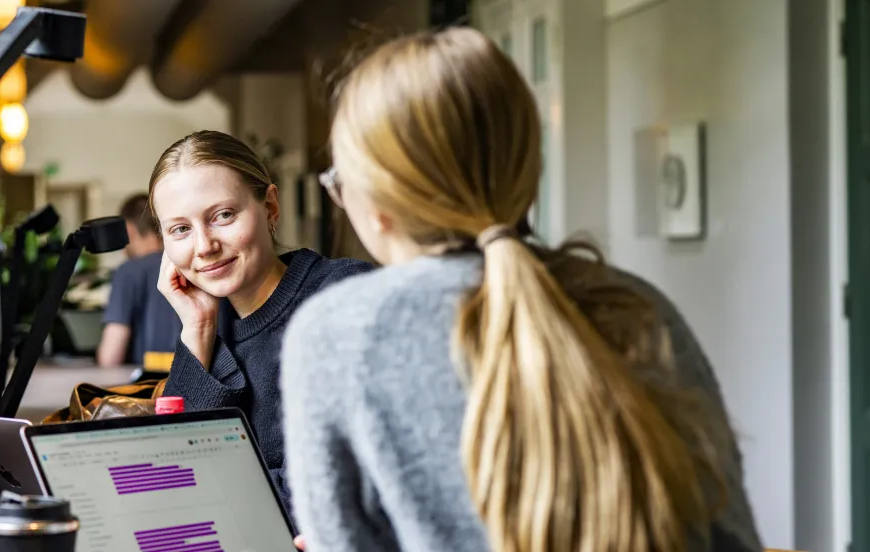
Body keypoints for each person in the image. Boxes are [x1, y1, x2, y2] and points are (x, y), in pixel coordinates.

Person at [281, 28, 762, 552]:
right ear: (525, 171)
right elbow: (729, 536)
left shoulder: (341, 333)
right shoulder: (638, 306)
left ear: (377, 204)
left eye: (340, 181)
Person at [149, 130, 372, 513]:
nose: (204, 247)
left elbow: (355, 472)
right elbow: (174, 477)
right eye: (181, 229)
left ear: (270, 207)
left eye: (223, 216)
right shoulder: (207, 323)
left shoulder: (345, 295)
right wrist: (198, 328)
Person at [97, 194, 181, 368]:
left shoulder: (128, 271)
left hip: (148, 385)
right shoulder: (185, 265)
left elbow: (111, 356)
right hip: (193, 379)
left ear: (129, 230)